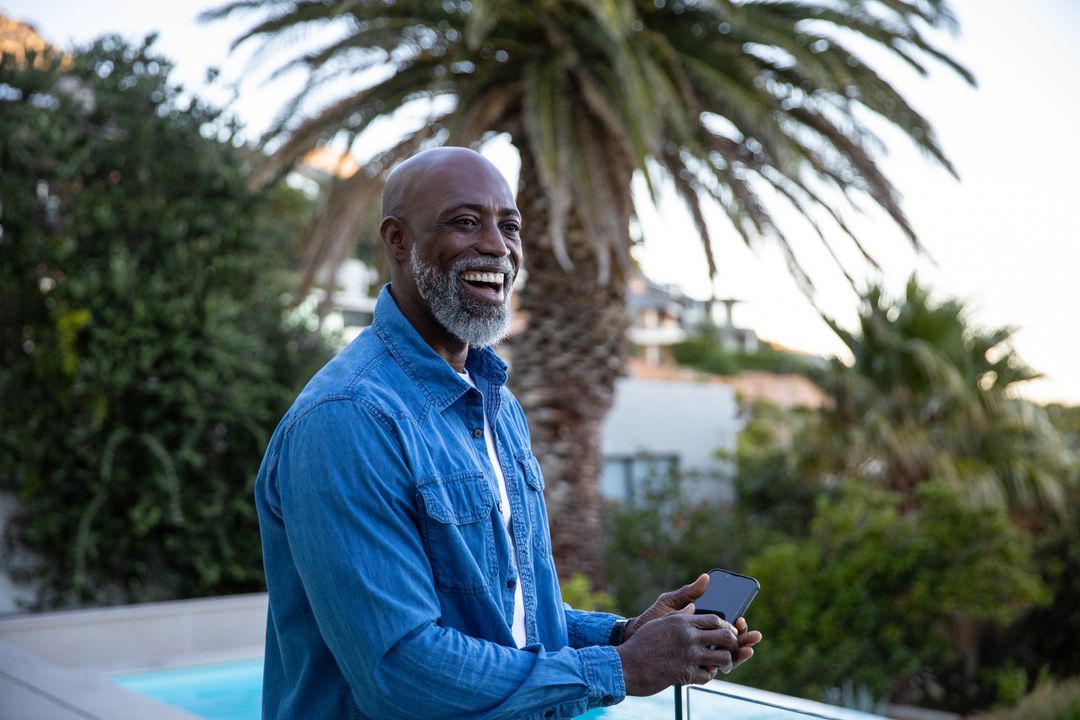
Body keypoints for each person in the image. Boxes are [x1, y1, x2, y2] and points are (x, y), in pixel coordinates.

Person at [254, 147, 762, 719]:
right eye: (466, 222)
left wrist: (626, 635)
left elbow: (511, 614)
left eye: (510, 225)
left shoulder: (497, 406)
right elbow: (400, 670)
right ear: (397, 240)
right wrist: (623, 669)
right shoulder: (348, 419)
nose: (497, 246)